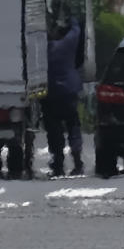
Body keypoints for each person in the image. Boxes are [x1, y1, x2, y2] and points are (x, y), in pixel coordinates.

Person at [43, 16, 84, 177]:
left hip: (51, 94)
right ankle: (77, 162)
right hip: (69, 92)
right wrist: (71, 18)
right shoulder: (69, 44)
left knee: (54, 131)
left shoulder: (45, 48)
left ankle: (58, 165)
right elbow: (76, 29)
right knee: (73, 126)